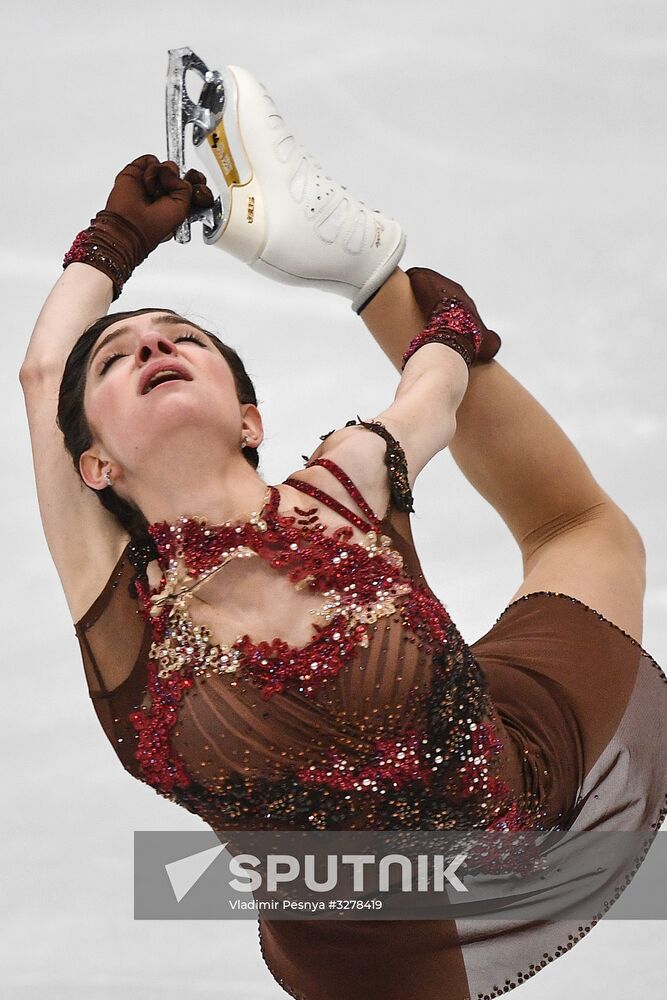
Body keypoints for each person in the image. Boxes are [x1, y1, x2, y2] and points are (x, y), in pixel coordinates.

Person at [20, 64, 666, 1000]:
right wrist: (113, 241)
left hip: (507, 785)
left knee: (583, 530)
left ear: (249, 418)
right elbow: (46, 375)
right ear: (96, 466)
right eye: (118, 358)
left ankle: (356, 260)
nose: (154, 346)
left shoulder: (345, 484)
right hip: (361, 944)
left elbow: (434, 391)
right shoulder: (118, 600)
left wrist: (419, 313)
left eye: (182, 338)